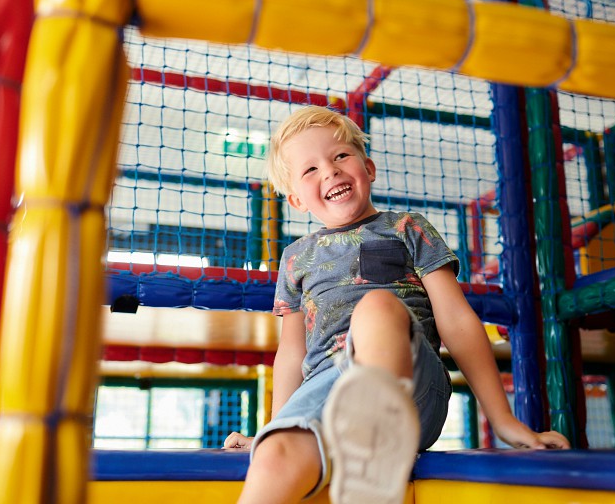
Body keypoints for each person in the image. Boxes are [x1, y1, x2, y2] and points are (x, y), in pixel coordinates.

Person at [224, 106, 569, 504]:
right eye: (310, 169)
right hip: (328, 390)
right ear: (297, 199)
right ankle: (349, 456)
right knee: (273, 457)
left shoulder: (407, 227)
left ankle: (377, 453)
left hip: (410, 387)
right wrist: (275, 426)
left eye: (340, 157)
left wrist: (503, 420)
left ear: (367, 168)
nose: (331, 172)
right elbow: (292, 352)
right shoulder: (296, 257)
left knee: (378, 308)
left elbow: (456, 321)